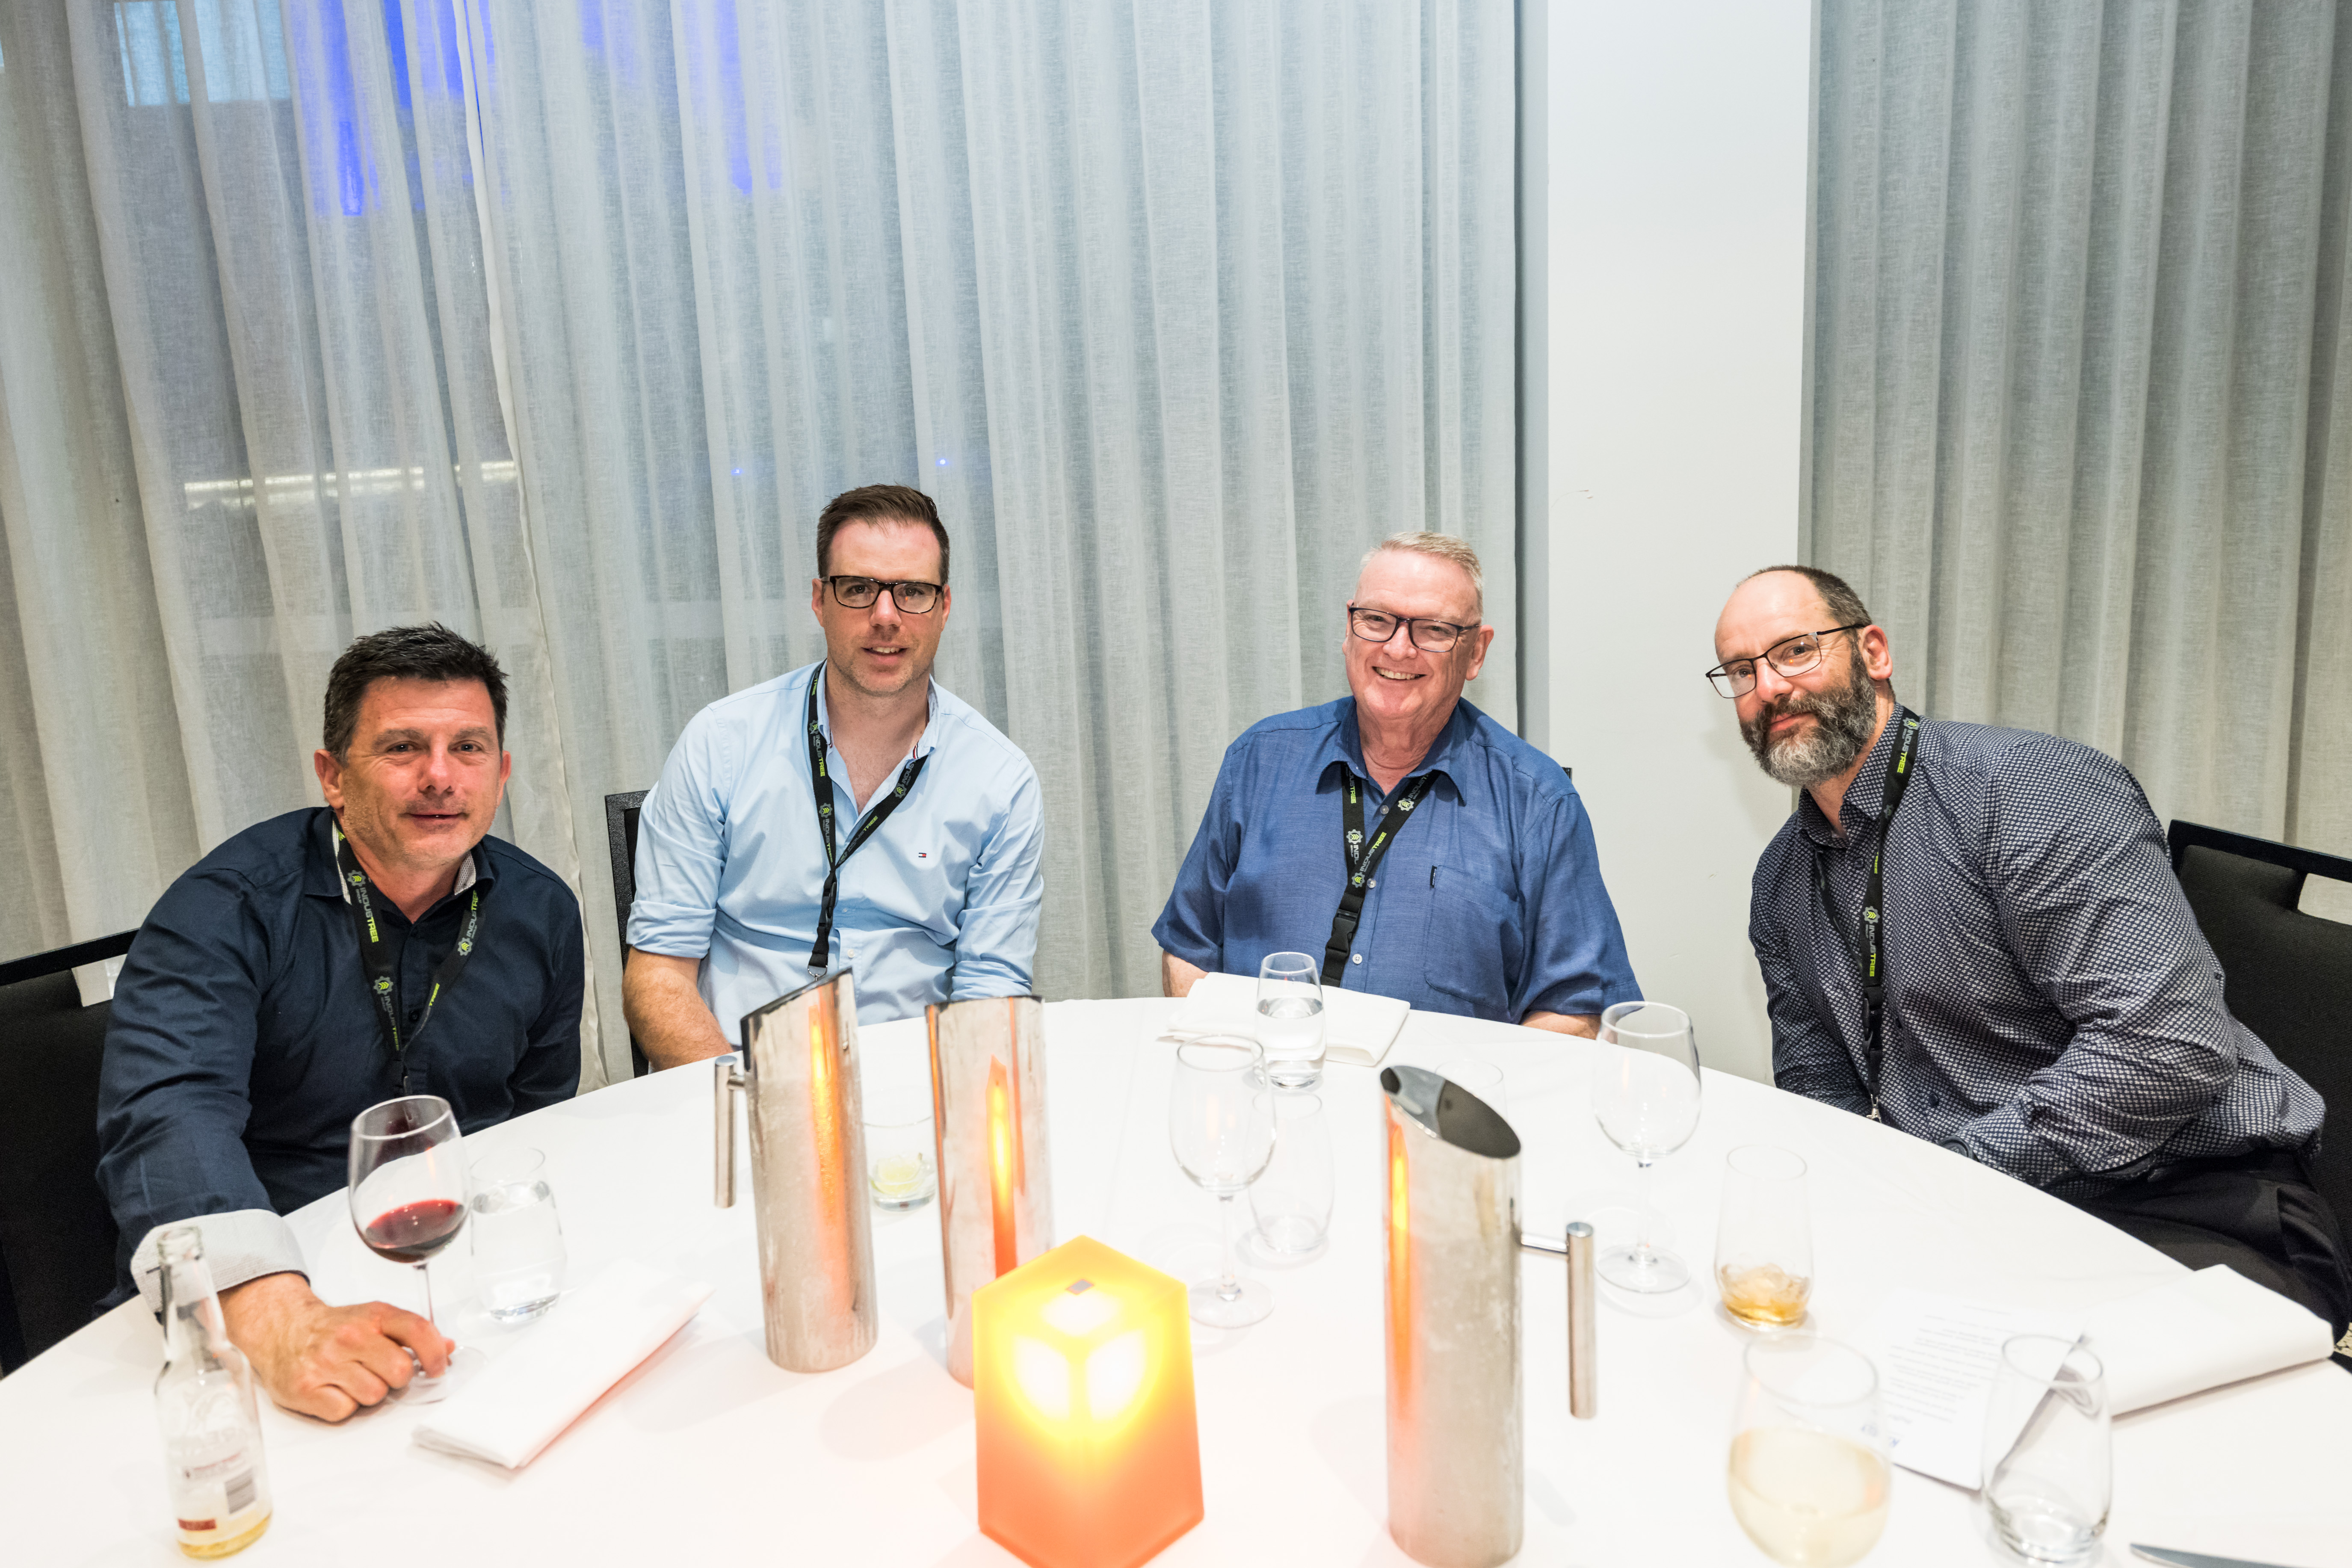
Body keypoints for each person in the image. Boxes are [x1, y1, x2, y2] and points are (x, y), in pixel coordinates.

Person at [1716, 564, 2349, 1334]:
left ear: (1872, 652)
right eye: (1740, 671)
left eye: (1794, 650)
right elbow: (1820, 1092)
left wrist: (1945, 1180)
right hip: (1979, 1217)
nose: (1768, 688)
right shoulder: (1780, 879)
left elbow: (2167, 1048)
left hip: (2188, 1201)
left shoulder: (2024, 790)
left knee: (2041, 1389)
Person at [96, 624, 586, 1418]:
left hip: (464, 1277)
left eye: (467, 748)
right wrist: (276, 1314)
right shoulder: (223, 910)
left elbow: (537, 1113)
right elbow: (168, 1114)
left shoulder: (542, 910)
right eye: (402, 747)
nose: (440, 776)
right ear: (334, 776)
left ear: (500, 773)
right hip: (269, 1280)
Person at [1154, 532, 1639, 1033]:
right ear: (1349, 629)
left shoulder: (1537, 801)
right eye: (1377, 620)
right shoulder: (1259, 759)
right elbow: (1188, 948)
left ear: (1476, 651)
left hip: (1437, 1085)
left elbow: (1578, 1007)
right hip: (1270, 1075)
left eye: (1434, 629)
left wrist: (1461, 1085)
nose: (1399, 648)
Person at [624, 484, 1043, 1064]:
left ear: (944, 607)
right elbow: (658, 978)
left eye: (913, 592)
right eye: (859, 589)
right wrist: (748, 1104)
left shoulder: (1001, 782)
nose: (885, 617)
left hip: (915, 1086)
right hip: (742, 1073)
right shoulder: (720, 745)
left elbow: (989, 996)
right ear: (820, 601)